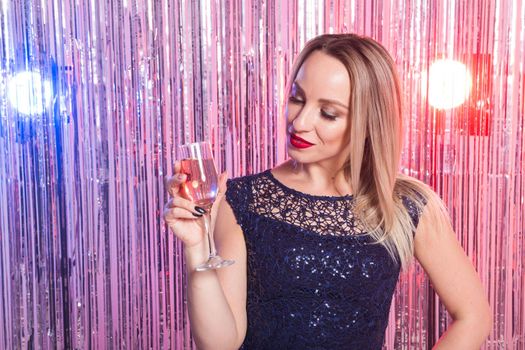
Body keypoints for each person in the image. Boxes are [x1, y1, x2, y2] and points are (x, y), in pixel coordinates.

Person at [163, 34, 492, 349]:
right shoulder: (244, 199)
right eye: (297, 98)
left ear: (367, 122)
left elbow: (474, 317)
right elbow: (220, 342)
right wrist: (197, 247)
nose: (300, 121)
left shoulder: (405, 205)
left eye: (328, 113)